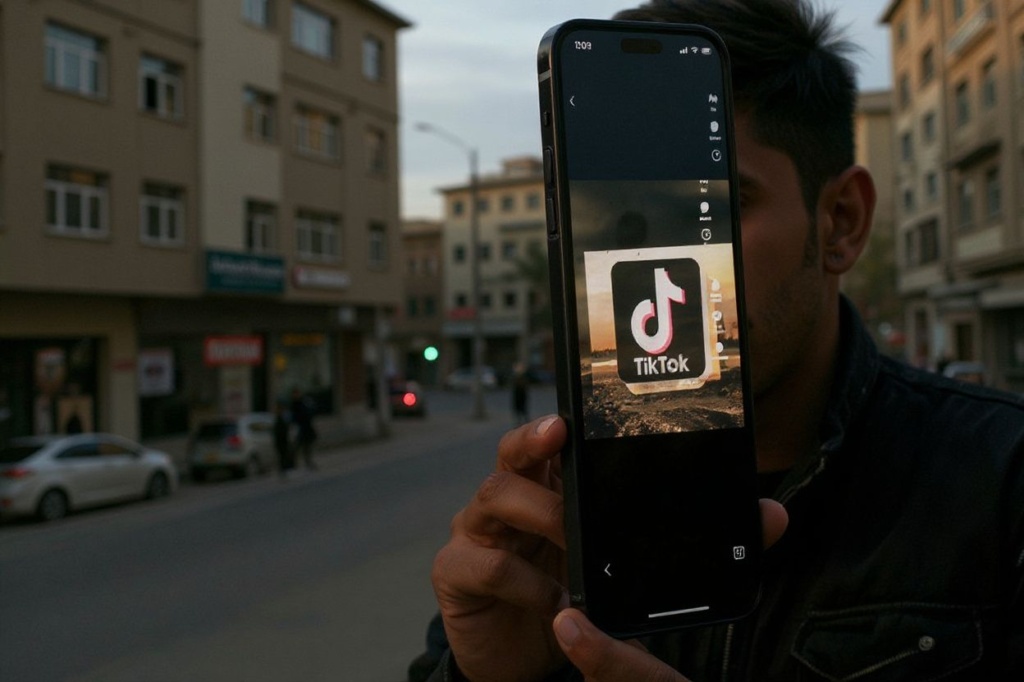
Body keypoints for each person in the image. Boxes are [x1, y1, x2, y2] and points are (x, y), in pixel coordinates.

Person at [423, 1, 1024, 680]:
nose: (665, 260)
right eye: (628, 215)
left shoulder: (1003, 481)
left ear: (840, 222)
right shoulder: (558, 522)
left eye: (710, 205)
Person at [290, 388, 318, 471]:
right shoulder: (294, 404)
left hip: (306, 429)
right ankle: (294, 464)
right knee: (296, 448)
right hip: (300, 429)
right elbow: (294, 417)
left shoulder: (303, 402)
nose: (296, 395)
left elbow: (309, 413)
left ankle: (308, 462)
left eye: (297, 393)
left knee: (307, 448)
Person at [273, 399, 293, 479]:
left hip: (283, 441)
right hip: (280, 441)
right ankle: (283, 471)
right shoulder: (278, 419)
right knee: (282, 457)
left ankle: (284, 470)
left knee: (284, 456)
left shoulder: (282, 418)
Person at [511, 362, 530, 426]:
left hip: (521, 396)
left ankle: (525, 421)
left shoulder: (522, 378)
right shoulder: (516, 378)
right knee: (519, 410)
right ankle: (520, 421)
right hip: (518, 396)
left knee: (523, 410)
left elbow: (524, 388)